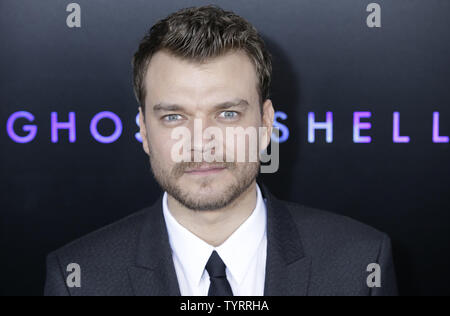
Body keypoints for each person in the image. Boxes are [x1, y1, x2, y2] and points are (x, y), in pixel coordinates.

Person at [44, 5, 397, 296]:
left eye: (227, 114)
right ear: (143, 131)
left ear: (265, 123)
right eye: (173, 116)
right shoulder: (80, 279)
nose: (201, 142)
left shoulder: (360, 264)